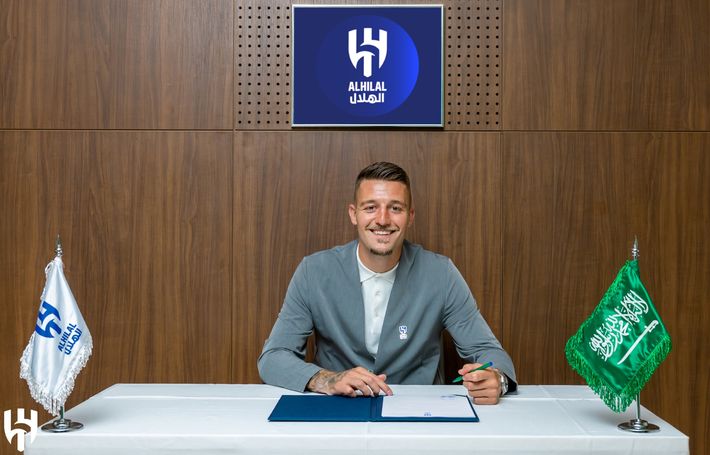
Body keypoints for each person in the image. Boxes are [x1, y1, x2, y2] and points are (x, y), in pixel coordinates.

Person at [258, 162, 516, 404]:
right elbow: (273, 358)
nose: (382, 219)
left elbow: (489, 352)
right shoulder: (313, 271)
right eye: (370, 207)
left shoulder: (441, 273)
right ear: (354, 214)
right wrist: (327, 380)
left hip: (418, 412)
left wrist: (498, 379)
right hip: (338, 409)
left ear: (410, 216)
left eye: (395, 208)